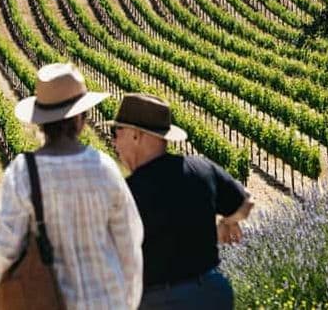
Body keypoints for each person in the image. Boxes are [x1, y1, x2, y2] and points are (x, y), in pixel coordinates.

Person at [0, 63, 144, 309]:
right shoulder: (104, 168)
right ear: (81, 118)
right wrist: (129, 302)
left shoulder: (23, 173)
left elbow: (4, 252)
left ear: (41, 121)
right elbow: (130, 245)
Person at [105, 93, 254, 310]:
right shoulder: (202, 169)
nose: (114, 142)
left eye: (116, 133)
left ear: (136, 135)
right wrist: (227, 222)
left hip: (160, 301)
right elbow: (246, 203)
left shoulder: (127, 192)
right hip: (212, 294)